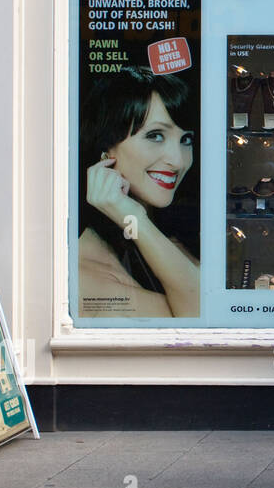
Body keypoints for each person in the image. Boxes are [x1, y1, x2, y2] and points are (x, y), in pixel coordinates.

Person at [78, 67, 199, 318]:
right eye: (155, 136)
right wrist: (133, 217)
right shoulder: (85, 274)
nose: (177, 161)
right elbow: (206, 317)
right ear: (106, 149)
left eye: (185, 139)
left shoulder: (174, 240)